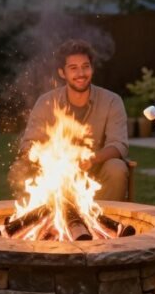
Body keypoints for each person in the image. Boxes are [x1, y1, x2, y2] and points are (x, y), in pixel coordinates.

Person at [8, 39, 129, 201]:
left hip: (97, 171)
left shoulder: (112, 101)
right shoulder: (47, 102)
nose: (81, 74)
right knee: (21, 167)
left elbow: (118, 145)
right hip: (53, 172)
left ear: (92, 69)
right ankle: (34, 221)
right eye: (73, 68)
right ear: (62, 73)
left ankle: (107, 223)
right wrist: (49, 159)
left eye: (85, 67)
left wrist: (92, 159)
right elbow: (28, 144)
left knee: (117, 167)